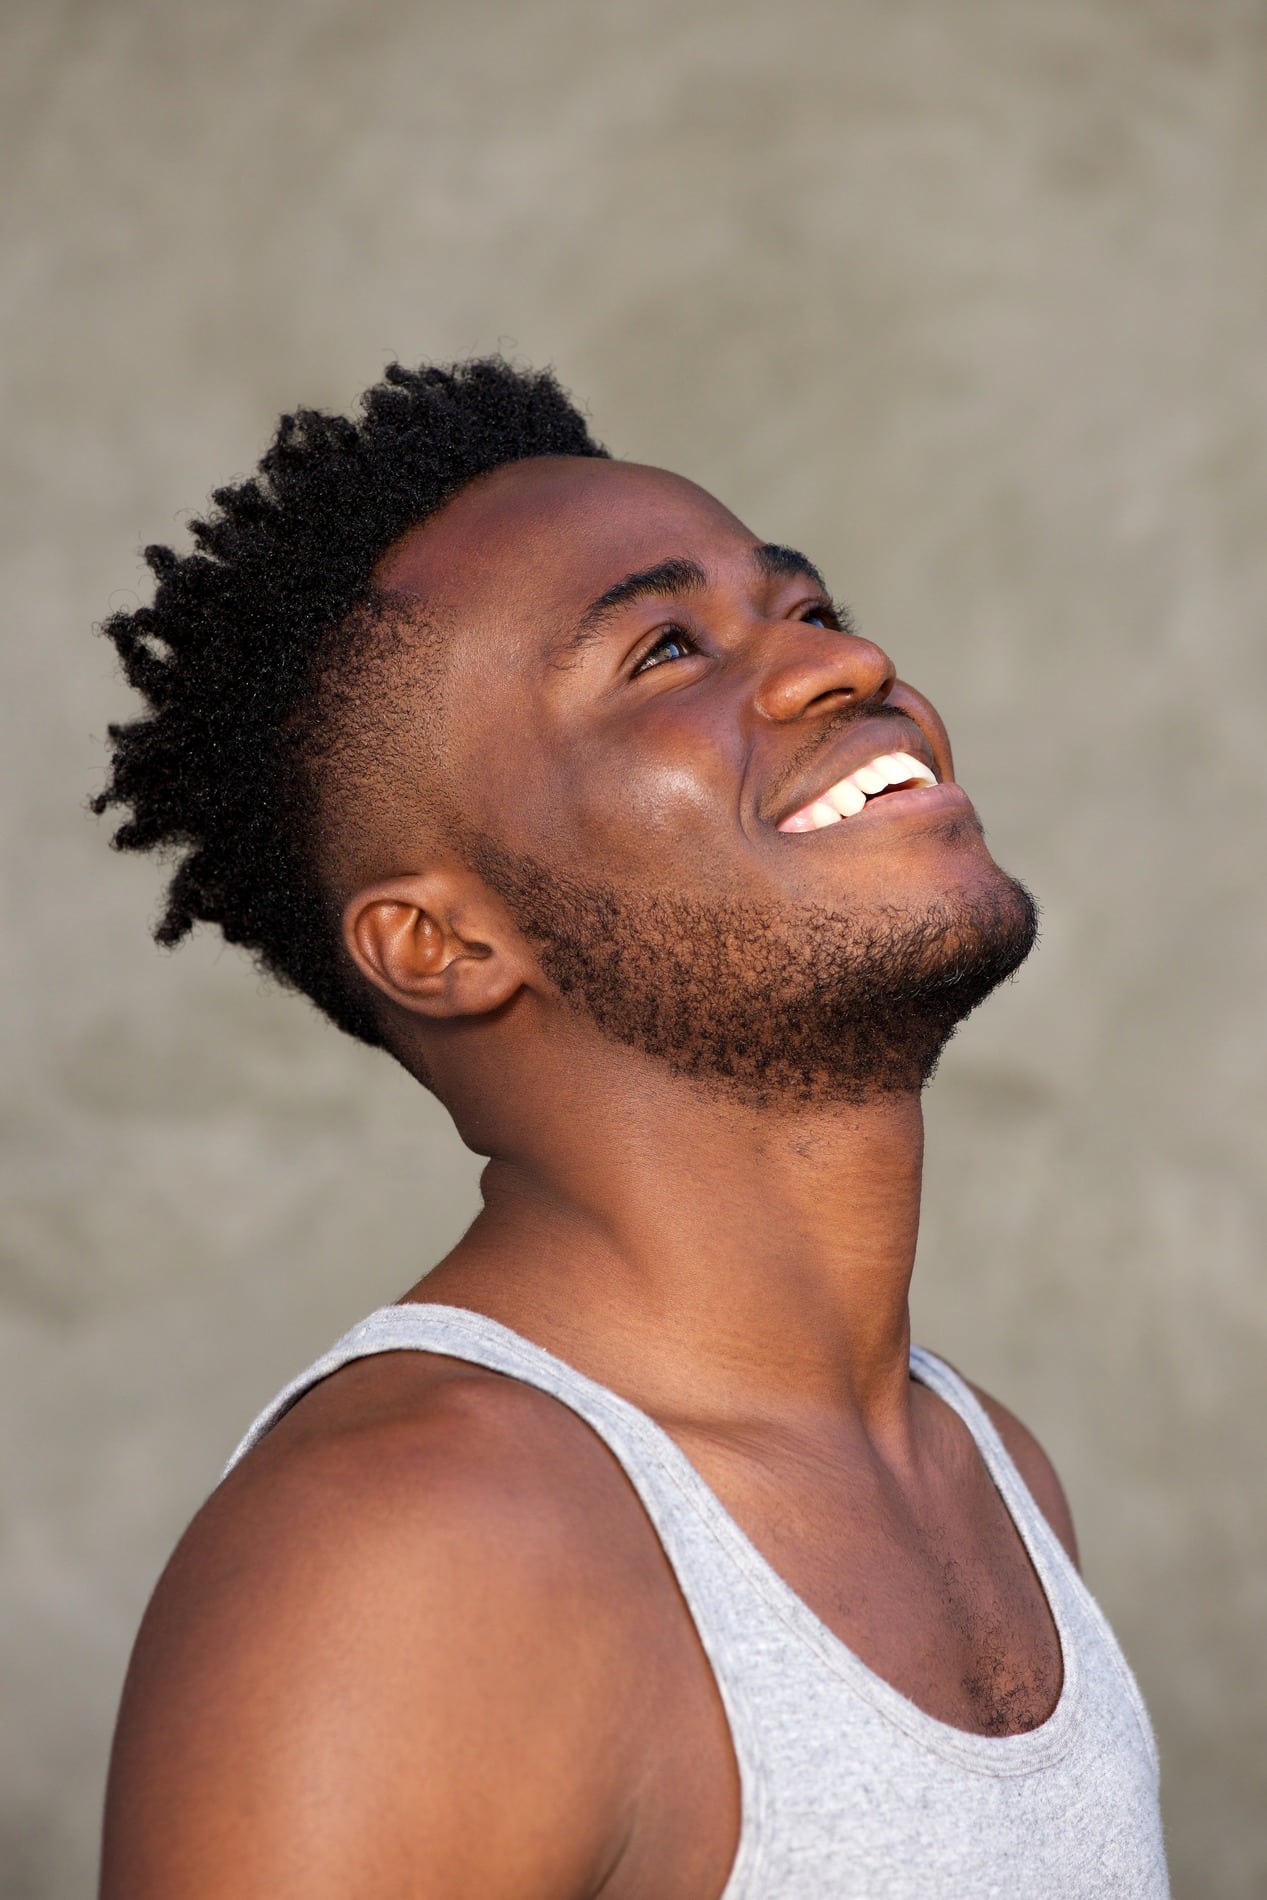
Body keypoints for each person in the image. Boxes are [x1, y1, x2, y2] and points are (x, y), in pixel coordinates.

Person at [94, 359, 1168, 1898]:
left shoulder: (990, 1473)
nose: (846, 662)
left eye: (807, 608)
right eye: (666, 651)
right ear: (443, 944)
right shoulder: (405, 1555)